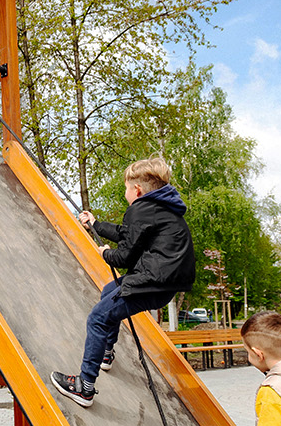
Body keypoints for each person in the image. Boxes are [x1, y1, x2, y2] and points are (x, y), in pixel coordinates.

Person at [48, 157, 194, 407]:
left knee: (98, 317)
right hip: (163, 284)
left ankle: (84, 387)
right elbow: (128, 234)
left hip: (150, 282)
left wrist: (105, 253)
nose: (126, 193)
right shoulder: (161, 208)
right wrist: (95, 224)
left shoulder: (141, 208)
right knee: (108, 291)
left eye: (126, 188)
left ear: (136, 190)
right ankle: (106, 352)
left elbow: (124, 256)